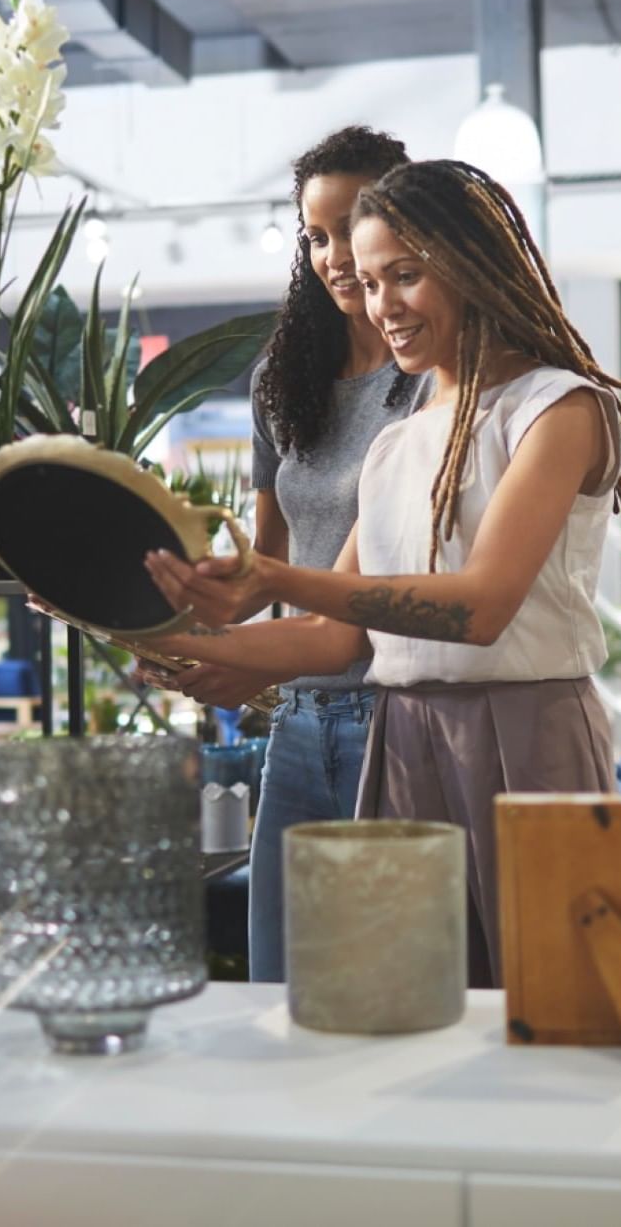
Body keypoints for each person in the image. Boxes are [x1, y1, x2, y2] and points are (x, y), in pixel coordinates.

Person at [141, 159, 621, 985]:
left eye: (405, 275)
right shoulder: (395, 444)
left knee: (550, 1002)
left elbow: (481, 608)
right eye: (373, 282)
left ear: (474, 262)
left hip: (526, 738)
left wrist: (277, 577)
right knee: (405, 1007)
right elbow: (334, 636)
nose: (383, 306)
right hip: (403, 743)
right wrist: (166, 637)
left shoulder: (562, 409)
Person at [150, 125, 420, 983]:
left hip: (396, 718)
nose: (337, 255)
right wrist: (166, 613)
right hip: (300, 721)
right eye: (316, 235)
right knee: (279, 977)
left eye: (355, 227)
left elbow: (355, 589)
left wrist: (240, 656)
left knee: (381, 982)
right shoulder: (284, 378)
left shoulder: (431, 377)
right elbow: (263, 556)